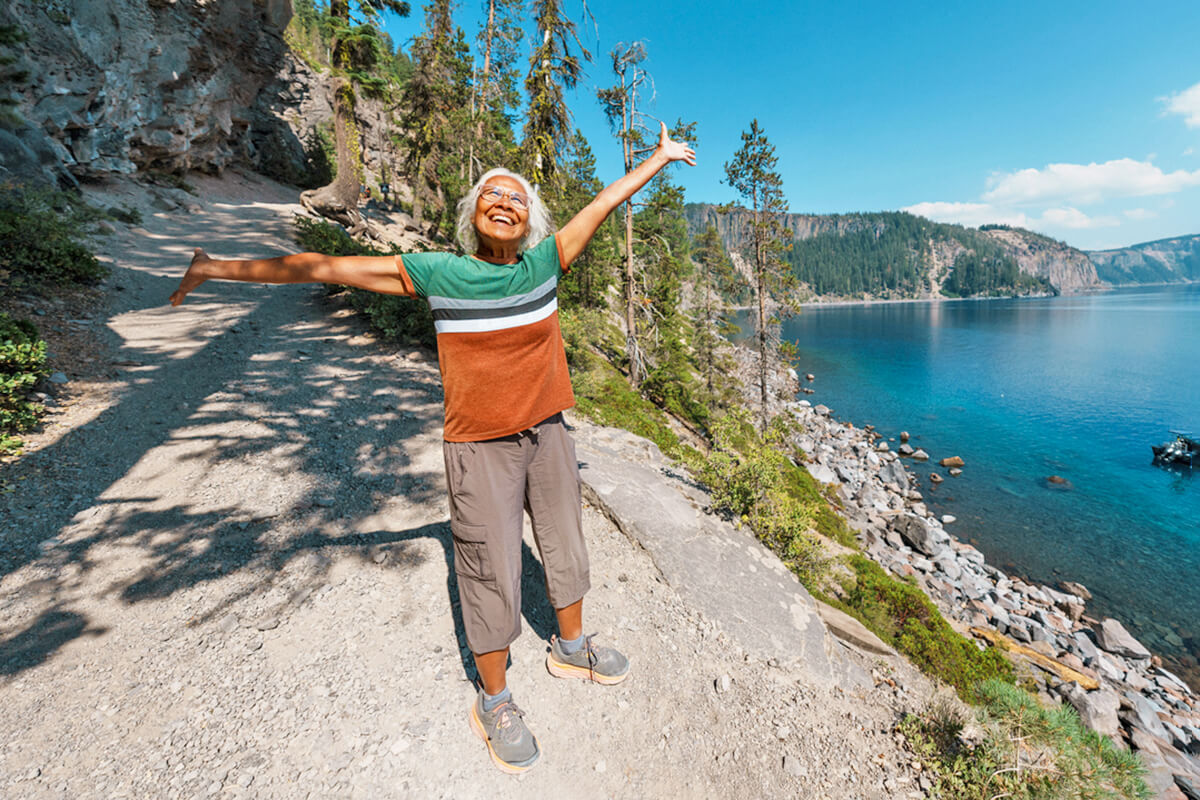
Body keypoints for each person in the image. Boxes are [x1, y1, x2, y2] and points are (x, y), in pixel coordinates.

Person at [169, 122, 696, 773]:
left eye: (516, 198)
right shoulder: (438, 272)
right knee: (491, 567)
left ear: (530, 220)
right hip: (479, 448)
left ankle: (570, 644)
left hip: (549, 433)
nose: (504, 202)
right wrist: (217, 268)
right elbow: (324, 265)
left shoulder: (545, 261)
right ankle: (495, 700)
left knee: (564, 542)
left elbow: (603, 202)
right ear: (471, 216)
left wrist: (661, 157)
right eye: (490, 196)